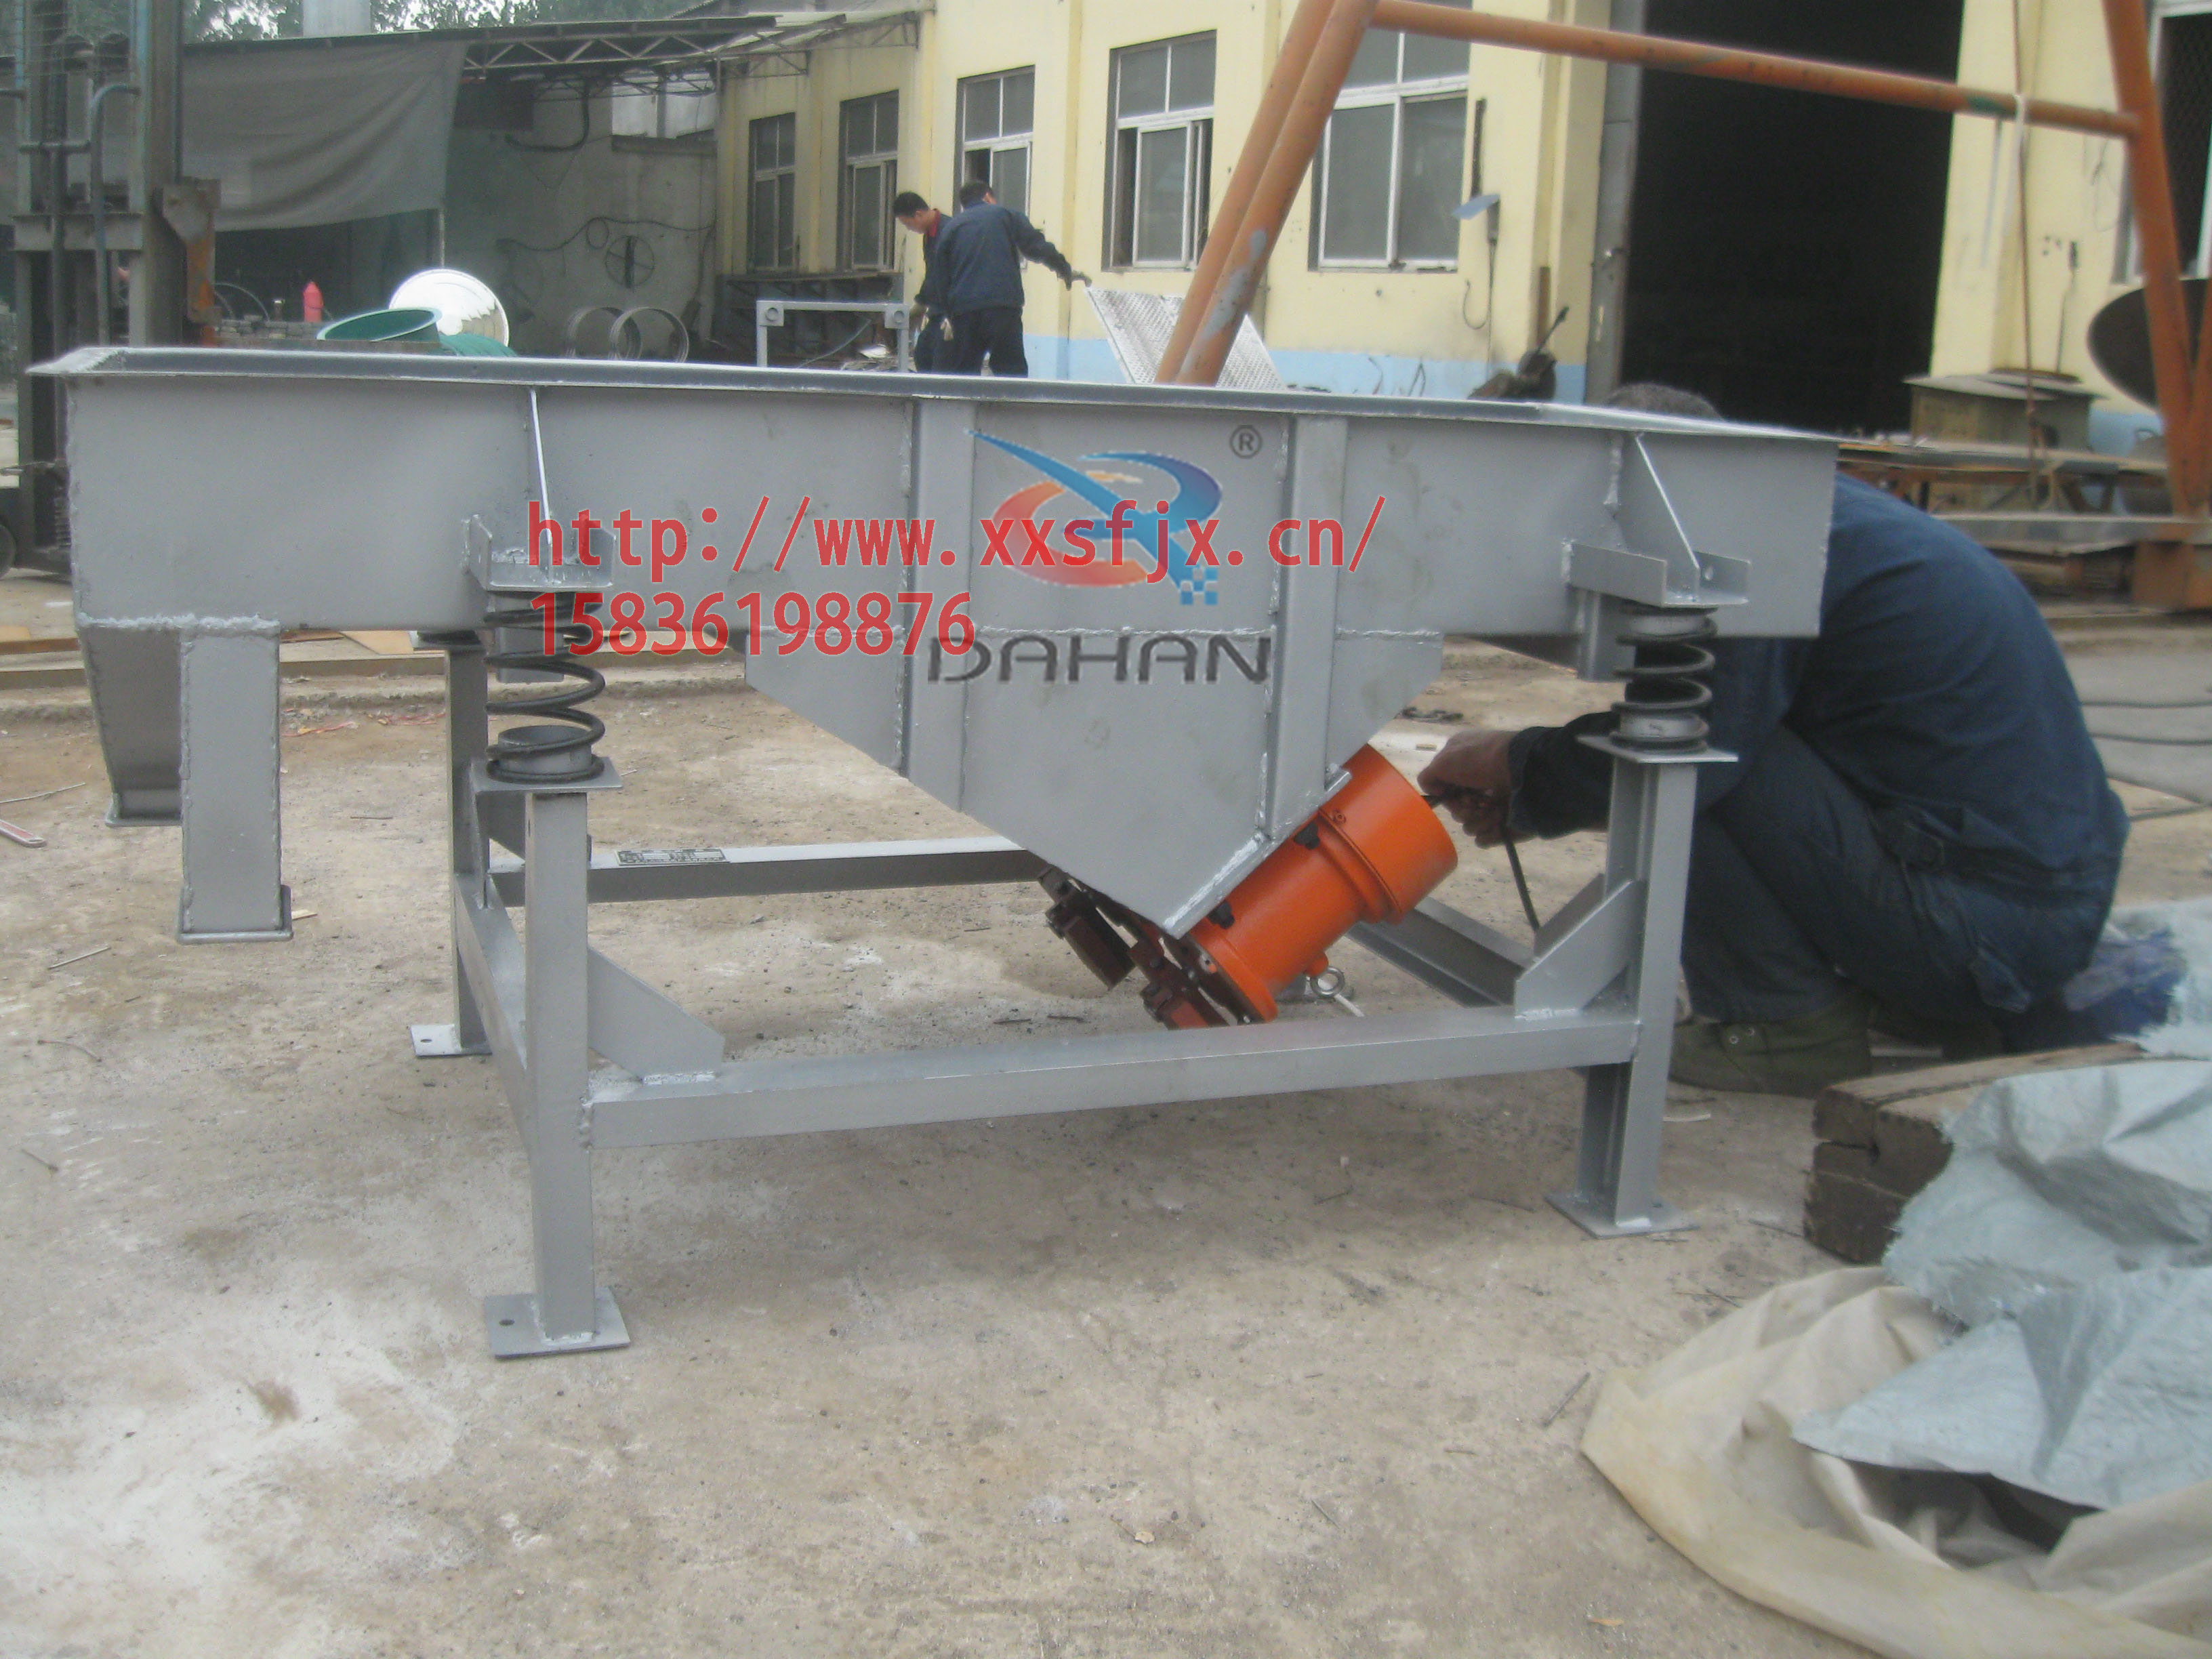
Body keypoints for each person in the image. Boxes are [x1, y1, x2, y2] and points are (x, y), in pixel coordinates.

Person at [1418, 384, 2127, 1097]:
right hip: (2029, 913)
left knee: (1698, 756)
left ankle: (1786, 1026)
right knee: (1719, 737)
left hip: (1986, 939)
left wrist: (1518, 763)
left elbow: (1696, 744)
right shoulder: (1810, 513)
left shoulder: (1757, 554)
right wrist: (1532, 786)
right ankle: (1896, 992)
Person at [930, 179, 1087, 377]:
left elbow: (941, 275)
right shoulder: (1006, 215)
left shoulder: (952, 227)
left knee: (963, 376)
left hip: (964, 311)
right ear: (988, 197)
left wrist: (948, 313)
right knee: (1011, 372)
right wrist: (1064, 269)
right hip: (1002, 308)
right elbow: (1036, 247)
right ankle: (1010, 398)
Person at [892, 190, 947, 372]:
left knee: (938, 358)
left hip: (952, 308)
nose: (909, 229)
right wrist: (921, 303)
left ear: (918, 214)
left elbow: (945, 273)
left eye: (908, 224)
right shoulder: (930, 235)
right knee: (923, 354)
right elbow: (932, 273)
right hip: (937, 308)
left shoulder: (948, 231)